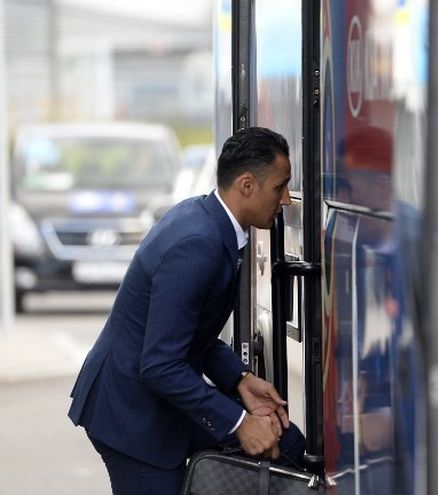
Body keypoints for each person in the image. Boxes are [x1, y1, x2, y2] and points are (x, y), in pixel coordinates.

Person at [68, 126, 305, 494]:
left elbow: (189, 331)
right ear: (247, 185)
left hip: (155, 393)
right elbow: (160, 365)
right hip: (132, 414)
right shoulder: (197, 244)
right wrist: (239, 423)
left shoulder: (209, 219)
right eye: (280, 186)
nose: (286, 199)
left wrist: (240, 379)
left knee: (287, 443)